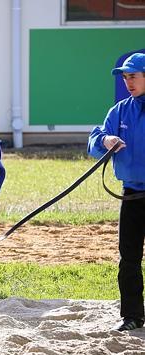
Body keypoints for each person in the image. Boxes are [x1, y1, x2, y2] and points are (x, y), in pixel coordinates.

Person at [88, 52, 145, 332]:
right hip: (131, 195)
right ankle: (132, 316)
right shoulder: (119, 110)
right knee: (129, 258)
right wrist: (105, 139)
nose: (127, 82)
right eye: (125, 77)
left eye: (133, 76)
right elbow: (94, 141)